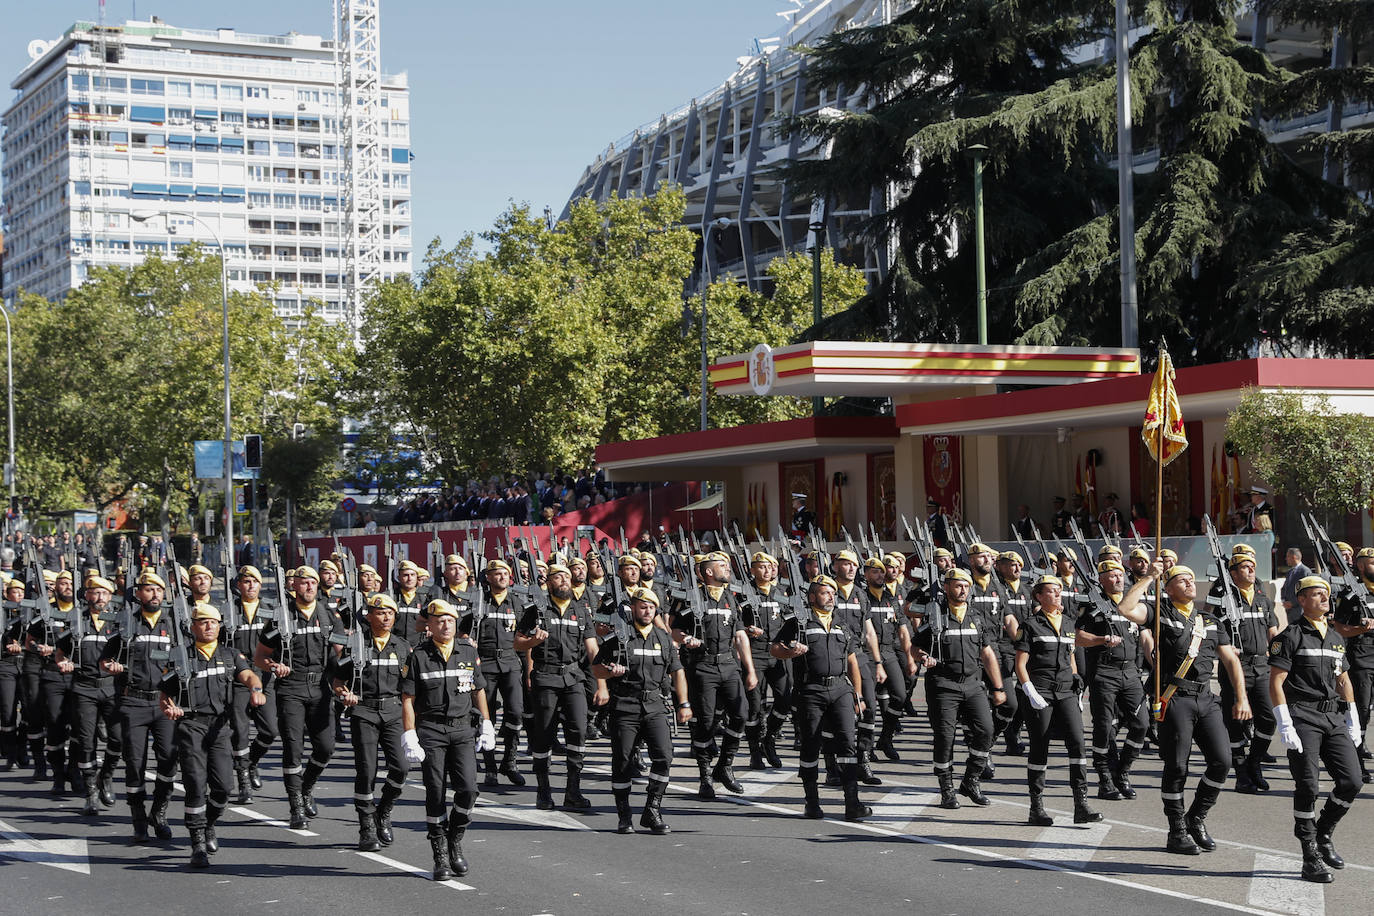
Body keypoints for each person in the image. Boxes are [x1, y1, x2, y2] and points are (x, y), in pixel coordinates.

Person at [1117, 563, 1251, 855]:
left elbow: (1230, 661)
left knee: (1222, 761)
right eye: (1181, 579)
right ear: (1167, 588)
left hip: (1206, 698)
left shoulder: (1210, 621)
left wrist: (1242, 698)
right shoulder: (1160, 614)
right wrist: (1148, 578)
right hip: (1175, 697)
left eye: (1191, 578)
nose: (1190, 583)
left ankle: (1196, 817)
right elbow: (1126, 609)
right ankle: (1176, 829)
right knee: (1177, 766)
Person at [1269, 576, 1363, 883]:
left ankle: (1324, 832)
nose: (1325, 598)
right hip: (1303, 717)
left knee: (1352, 781)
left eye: (1326, 594)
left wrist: (1352, 717)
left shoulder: (1335, 636)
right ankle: (1310, 855)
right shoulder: (1291, 635)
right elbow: (1276, 682)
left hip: (1333, 717)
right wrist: (1284, 721)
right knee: (1308, 786)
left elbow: (1343, 678)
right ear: (1302, 600)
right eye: (1317, 594)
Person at [158, 601, 265, 868]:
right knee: (195, 784)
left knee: (223, 788)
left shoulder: (230, 655)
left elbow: (249, 674)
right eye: (203, 622)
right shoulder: (180, 657)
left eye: (214, 622)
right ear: (193, 626)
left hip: (219, 728)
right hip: (191, 726)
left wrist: (255, 690)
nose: (209, 626)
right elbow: (164, 694)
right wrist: (168, 709)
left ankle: (209, 825)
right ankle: (197, 844)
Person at [402, 599, 494, 879]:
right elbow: (408, 698)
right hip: (431, 730)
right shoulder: (418, 656)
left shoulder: (467, 651)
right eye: (440, 620)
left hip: (463, 729)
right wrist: (409, 734)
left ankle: (455, 836)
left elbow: (478, 689)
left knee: (468, 789)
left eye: (450, 620)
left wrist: (487, 722)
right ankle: (440, 852)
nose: (446, 625)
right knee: (435, 791)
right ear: (429, 625)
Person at [770, 575, 871, 822]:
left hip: (840, 690)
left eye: (833, 593)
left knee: (848, 743)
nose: (831, 597)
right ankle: (811, 802)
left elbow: (851, 661)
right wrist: (790, 651)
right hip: (810, 691)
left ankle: (852, 803)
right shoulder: (799, 623)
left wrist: (858, 694)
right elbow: (775, 648)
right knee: (811, 744)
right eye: (825, 593)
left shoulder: (841, 624)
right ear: (813, 597)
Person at [591, 587, 692, 833]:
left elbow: (677, 671)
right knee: (623, 761)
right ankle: (624, 814)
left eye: (651, 607)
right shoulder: (619, 636)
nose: (646, 611)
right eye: (642, 606)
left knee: (664, 756)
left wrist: (684, 703)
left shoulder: (663, 637)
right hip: (625, 705)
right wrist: (609, 672)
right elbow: (596, 669)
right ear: (633, 608)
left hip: (655, 706)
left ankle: (652, 809)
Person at [254, 565, 346, 829]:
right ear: (294, 586)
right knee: (293, 748)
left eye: (312, 583)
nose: (308, 587)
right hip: (291, 688)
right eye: (303, 583)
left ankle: (306, 786)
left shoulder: (329, 616)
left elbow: (341, 653)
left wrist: (348, 677)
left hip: (320, 688)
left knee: (326, 747)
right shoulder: (280, 619)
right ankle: (296, 805)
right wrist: (274, 666)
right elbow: (260, 657)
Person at [911, 567, 1006, 809]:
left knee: (986, 730)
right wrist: (923, 658)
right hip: (943, 685)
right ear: (946, 587)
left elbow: (987, 654)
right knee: (945, 738)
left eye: (966, 585)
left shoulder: (976, 617)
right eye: (957, 585)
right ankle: (947, 789)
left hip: (973, 684)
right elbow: (914, 648)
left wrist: (998, 687)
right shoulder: (935, 617)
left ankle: (971, 780)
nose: (962, 589)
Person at [99, 569, 181, 842]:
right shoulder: (126, 624)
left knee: (169, 761)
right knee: (135, 763)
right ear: (138, 593)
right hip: (132, 701)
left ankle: (159, 812)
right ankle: (137, 818)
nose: (155, 594)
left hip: (164, 703)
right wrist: (111, 667)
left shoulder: (175, 624)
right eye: (149, 589)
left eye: (159, 589)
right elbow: (105, 659)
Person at [515, 564, 606, 810]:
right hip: (546, 678)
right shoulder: (536, 610)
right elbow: (518, 643)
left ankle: (572, 791)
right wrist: (534, 640)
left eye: (567, 576)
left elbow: (592, 649)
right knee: (544, 735)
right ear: (549, 582)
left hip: (573, 677)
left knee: (578, 731)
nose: (564, 580)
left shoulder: (581, 610)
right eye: (558, 576)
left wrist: (601, 683)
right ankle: (543, 792)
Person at [669, 552, 757, 799]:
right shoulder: (692, 599)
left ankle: (724, 766)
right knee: (706, 723)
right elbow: (674, 630)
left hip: (729, 665)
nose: (727, 569)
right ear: (708, 572)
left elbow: (740, 636)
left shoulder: (730, 596)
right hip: (702, 667)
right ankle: (705, 776)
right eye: (722, 566)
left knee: (741, 715)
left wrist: (749, 670)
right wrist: (686, 639)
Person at [1015, 574, 1101, 826]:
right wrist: (1029, 691)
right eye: (1051, 591)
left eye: (1059, 590)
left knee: (1078, 744)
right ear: (1039, 596)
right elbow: (1020, 663)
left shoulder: (1068, 623)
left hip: (1065, 692)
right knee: (1040, 747)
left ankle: (1081, 805)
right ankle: (1036, 807)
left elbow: (1071, 655)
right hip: (1040, 690)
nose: (1056, 594)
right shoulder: (1030, 625)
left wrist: (1075, 679)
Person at [331, 592, 413, 852]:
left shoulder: (403, 647)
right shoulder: (355, 644)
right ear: (368, 616)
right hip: (364, 711)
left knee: (401, 768)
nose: (386, 616)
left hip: (393, 712)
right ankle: (366, 826)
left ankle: (384, 811)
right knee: (367, 771)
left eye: (390, 612)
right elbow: (338, 682)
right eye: (380, 612)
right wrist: (345, 694)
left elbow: (410, 686)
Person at [1075, 560, 1148, 800]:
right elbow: (1078, 637)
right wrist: (1101, 640)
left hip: (1130, 673)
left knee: (1141, 724)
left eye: (1121, 575)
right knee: (1104, 727)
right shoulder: (1093, 606)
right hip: (1104, 673)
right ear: (1102, 579)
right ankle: (1105, 777)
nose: (1119, 579)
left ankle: (1122, 772)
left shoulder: (1131, 604)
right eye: (1113, 575)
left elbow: (1145, 632)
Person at [1212, 549, 1280, 794]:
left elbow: (1273, 631)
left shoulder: (1262, 598)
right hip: (1235, 667)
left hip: (1261, 666)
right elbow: (1212, 628)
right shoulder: (1223, 598)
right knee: (1236, 722)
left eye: (1253, 565)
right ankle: (1242, 775)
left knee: (1269, 718)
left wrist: (1280, 656)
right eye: (1244, 566)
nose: (1251, 569)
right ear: (1233, 572)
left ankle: (1255, 762)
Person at [54, 574, 122, 815]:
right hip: (84, 687)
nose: (100, 597)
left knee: (117, 738)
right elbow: (60, 652)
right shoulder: (77, 621)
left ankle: (107, 776)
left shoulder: (118, 622)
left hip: (111, 687)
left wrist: (120, 666)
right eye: (95, 592)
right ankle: (91, 790)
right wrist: (64, 663)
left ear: (110, 597)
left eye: (104, 593)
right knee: (85, 742)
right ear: (87, 595)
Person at [226, 565, 278, 804]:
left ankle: (252, 762)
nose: (250, 586)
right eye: (245, 582)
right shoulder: (228, 611)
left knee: (270, 730)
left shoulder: (271, 611)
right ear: (239, 585)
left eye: (254, 581)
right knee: (240, 732)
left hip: (264, 677)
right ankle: (243, 779)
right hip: (238, 679)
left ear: (260, 585)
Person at [475, 559, 526, 788]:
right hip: (485, 662)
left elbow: (525, 637)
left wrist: (528, 669)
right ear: (488, 577)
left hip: (510, 661)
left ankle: (510, 760)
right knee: (487, 719)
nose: (502, 576)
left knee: (515, 712)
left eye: (505, 573)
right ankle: (490, 768)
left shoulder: (516, 602)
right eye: (496, 573)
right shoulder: (479, 602)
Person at [741, 551, 792, 770]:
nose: (767, 571)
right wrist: (747, 629)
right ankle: (755, 750)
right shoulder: (744, 593)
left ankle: (769, 738)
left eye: (771, 567)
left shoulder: (781, 592)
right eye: (762, 567)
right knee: (754, 705)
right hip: (756, 652)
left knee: (784, 700)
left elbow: (791, 620)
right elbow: (733, 623)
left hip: (779, 651)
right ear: (752, 570)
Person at [1332, 547, 1374, 783]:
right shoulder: (1351, 594)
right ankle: (1356, 759)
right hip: (1361, 657)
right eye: (1372, 562)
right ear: (1360, 566)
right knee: (1361, 711)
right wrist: (1361, 628)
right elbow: (1339, 627)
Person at [1280, 547, 1313, 622]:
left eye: (1287, 556)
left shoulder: (1305, 571)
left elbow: (1306, 591)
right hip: (1289, 611)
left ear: (1294, 557)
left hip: (1300, 610)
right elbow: (1284, 588)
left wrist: (1293, 603)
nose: (1286, 559)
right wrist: (1284, 600)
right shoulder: (1289, 572)